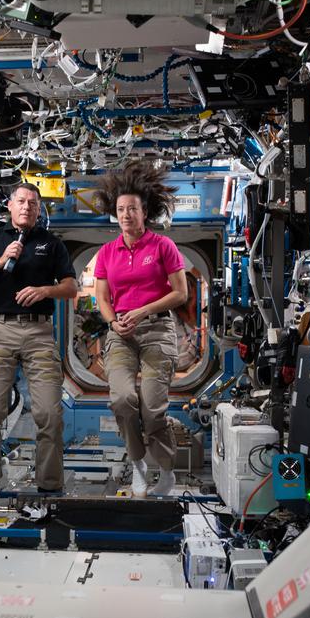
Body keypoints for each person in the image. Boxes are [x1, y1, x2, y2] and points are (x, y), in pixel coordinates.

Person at [0, 183, 77, 492]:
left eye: (33, 203)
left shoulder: (51, 244)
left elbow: (71, 287)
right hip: (0, 331)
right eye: (21, 201)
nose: (27, 207)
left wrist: (45, 290)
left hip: (39, 332)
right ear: (10, 206)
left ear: (39, 210)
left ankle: (49, 487)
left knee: (49, 414)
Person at [92, 162, 188, 497]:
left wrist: (142, 310)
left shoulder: (163, 247)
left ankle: (165, 468)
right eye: (121, 210)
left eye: (132, 209)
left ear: (144, 211)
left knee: (151, 404)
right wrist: (112, 321)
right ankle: (138, 464)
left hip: (156, 330)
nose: (126, 215)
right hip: (121, 333)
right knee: (121, 399)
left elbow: (181, 293)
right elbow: (101, 297)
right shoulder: (106, 252)